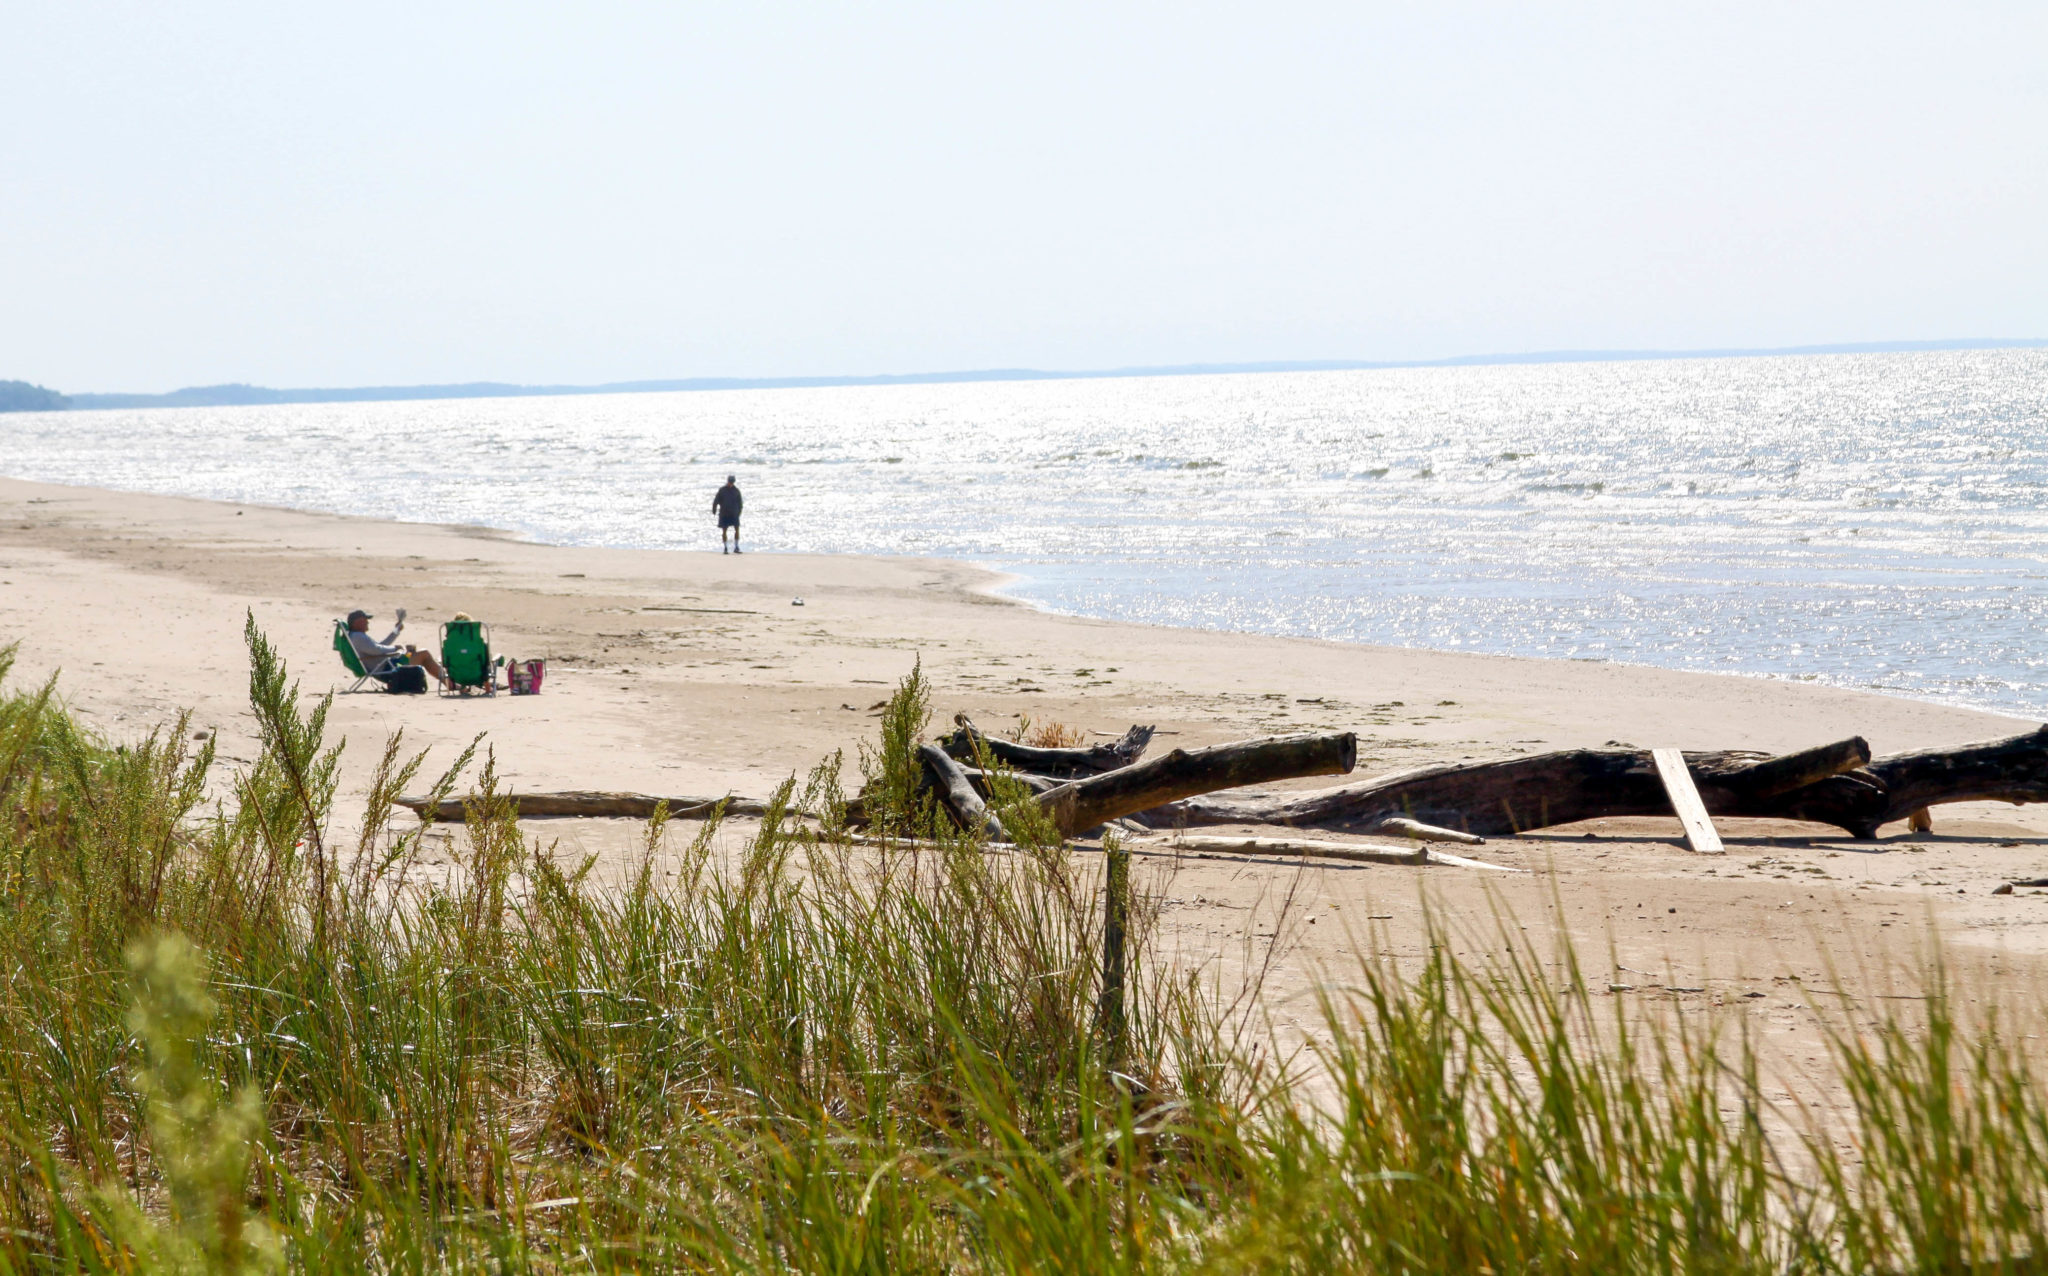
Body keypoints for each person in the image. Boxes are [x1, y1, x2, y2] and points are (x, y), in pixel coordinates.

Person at [345, 607, 450, 691]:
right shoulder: (358, 637)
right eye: (365, 620)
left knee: (415, 653)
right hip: (388, 669)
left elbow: (380, 646)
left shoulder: (356, 636)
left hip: (387, 664)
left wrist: (396, 631)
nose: (368, 622)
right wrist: (396, 649)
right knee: (424, 654)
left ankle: (447, 682)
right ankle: (449, 683)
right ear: (357, 622)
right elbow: (378, 650)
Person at [713, 475, 744, 553]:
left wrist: (739, 512)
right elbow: (716, 500)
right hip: (724, 513)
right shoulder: (722, 490)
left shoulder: (736, 491)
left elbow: (740, 503)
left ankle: (736, 547)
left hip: (734, 513)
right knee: (724, 531)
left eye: (732, 482)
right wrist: (714, 509)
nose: (731, 483)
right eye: (730, 482)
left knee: (737, 529)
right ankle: (725, 548)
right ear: (728, 481)